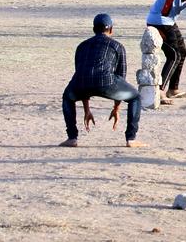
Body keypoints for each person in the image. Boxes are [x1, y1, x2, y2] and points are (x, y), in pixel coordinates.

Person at [59, 13, 145, 148]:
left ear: (94, 29)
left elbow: (81, 74)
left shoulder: (81, 46)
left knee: (67, 97)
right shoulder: (117, 46)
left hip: (81, 84)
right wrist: (116, 107)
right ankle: (131, 138)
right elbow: (121, 76)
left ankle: (72, 137)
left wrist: (87, 109)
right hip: (107, 82)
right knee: (135, 98)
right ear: (111, 29)